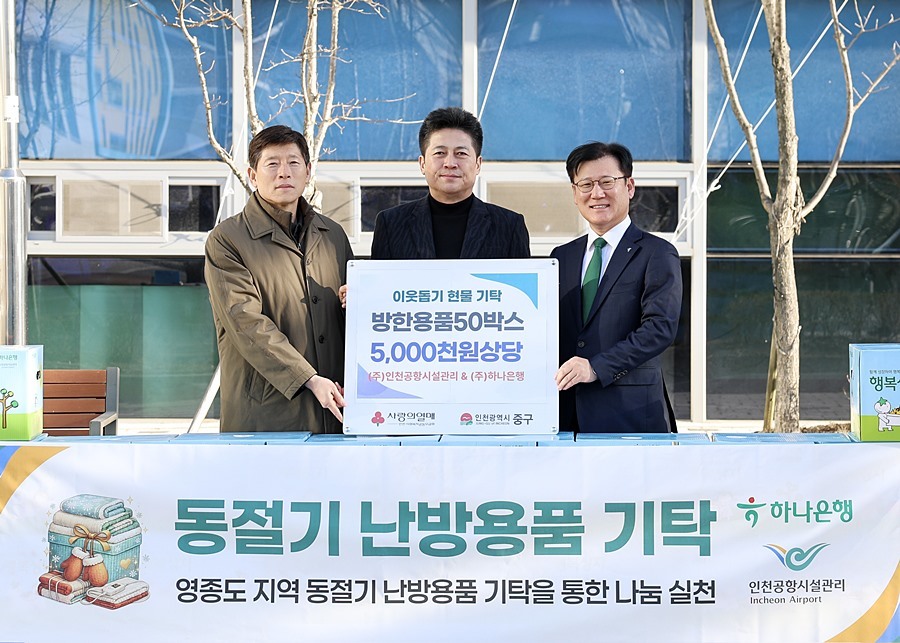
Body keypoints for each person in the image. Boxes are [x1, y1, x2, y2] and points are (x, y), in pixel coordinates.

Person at [205, 125, 352, 433]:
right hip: (266, 413)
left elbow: (349, 320)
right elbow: (246, 322)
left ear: (308, 171)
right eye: (272, 163)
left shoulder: (333, 235)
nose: (284, 172)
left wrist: (354, 303)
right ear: (252, 175)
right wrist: (309, 378)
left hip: (336, 406)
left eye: (293, 162)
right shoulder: (227, 239)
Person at [552, 141, 682, 433]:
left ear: (629, 186)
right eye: (586, 184)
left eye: (607, 182)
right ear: (574, 193)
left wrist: (595, 367)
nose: (597, 193)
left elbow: (659, 328)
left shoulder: (657, 253)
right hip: (566, 414)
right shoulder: (562, 256)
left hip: (631, 414)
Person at [370, 107, 530, 260]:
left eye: (461, 153)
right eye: (440, 153)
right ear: (422, 163)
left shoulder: (509, 226)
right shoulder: (391, 224)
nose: (450, 163)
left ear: (478, 164)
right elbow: (377, 279)